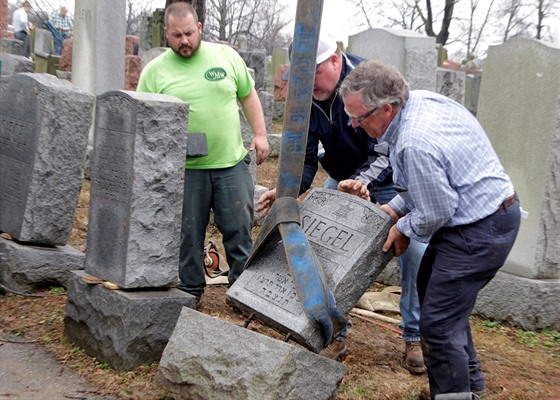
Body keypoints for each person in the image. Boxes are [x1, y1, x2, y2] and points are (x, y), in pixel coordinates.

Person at [339, 60, 521, 400]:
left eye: (359, 117)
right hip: (480, 214)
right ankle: (470, 387)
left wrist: (403, 226)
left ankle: (452, 395)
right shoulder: (418, 103)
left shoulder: (413, 142)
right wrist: (393, 209)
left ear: (387, 109)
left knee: (437, 322)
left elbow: (437, 209)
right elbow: (426, 187)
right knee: (433, 291)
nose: (353, 124)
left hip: (480, 227)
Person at [257, 36, 427, 374]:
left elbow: (385, 149)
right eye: (301, 75)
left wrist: (363, 181)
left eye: (314, 73)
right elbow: (305, 156)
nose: (308, 83)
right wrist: (287, 189)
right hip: (343, 177)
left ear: (335, 61)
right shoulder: (307, 95)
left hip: (392, 179)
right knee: (328, 249)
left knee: (417, 254)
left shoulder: (367, 83)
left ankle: (415, 335)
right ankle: (333, 332)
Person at [137, 2, 269, 302]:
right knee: (189, 233)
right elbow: (143, 118)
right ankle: (190, 291)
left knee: (239, 230)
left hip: (231, 163)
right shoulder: (155, 72)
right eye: (176, 36)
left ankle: (241, 292)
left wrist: (261, 134)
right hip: (185, 169)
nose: (184, 41)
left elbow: (248, 94)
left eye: (188, 33)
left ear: (199, 28)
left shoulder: (225, 56)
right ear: (166, 35)